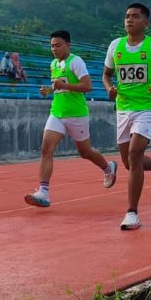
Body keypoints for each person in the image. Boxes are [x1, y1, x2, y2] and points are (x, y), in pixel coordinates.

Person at [101, 3, 151, 230]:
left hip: (146, 107)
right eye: (126, 17)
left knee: (135, 153)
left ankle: (132, 213)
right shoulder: (115, 46)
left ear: (146, 22)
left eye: (135, 17)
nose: (129, 20)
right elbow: (107, 74)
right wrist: (108, 88)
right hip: (123, 107)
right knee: (128, 162)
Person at [25, 30, 118, 208]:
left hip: (76, 114)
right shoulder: (53, 64)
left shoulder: (76, 61)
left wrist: (64, 85)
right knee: (46, 149)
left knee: (85, 152)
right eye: (52, 46)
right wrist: (50, 90)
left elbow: (87, 86)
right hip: (57, 112)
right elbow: (59, 86)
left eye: (58, 45)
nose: (54, 49)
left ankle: (108, 168)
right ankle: (43, 192)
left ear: (68, 45)